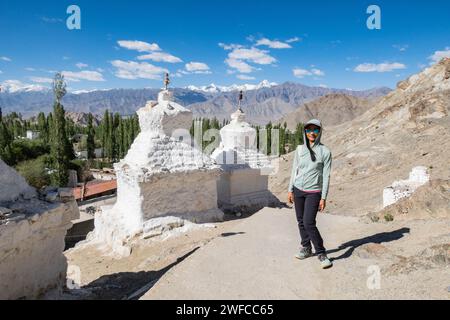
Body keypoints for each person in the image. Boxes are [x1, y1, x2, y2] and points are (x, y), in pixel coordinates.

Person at [287, 119, 333, 269]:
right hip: (298, 189)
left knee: (309, 222)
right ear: (304, 132)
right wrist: (290, 189)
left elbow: (326, 176)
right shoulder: (300, 149)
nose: (311, 133)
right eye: (308, 130)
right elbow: (295, 170)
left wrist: (324, 197)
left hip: (314, 192)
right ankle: (306, 248)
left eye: (315, 130)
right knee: (300, 221)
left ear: (320, 132)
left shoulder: (325, 152)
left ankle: (321, 253)